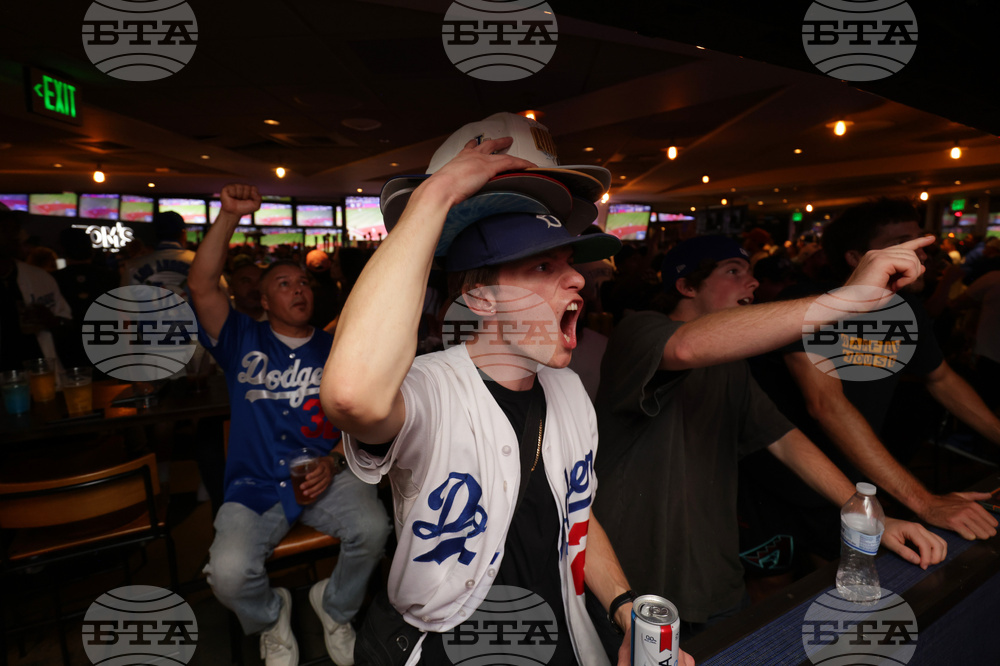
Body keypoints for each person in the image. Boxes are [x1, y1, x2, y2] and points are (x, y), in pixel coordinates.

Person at [322, 124, 691, 665]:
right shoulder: (429, 388)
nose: (577, 283)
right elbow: (352, 396)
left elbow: (577, 515)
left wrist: (624, 606)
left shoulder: (568, 391)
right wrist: (438, 194)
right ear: (481, 298)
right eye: (543, 267)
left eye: (570, 264)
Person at [593, 235, 947, 635]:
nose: (753, 282)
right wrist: (848, 298)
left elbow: (785, 439)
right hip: (632, 577)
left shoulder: (732, 366)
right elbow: (689, 346)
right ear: (686, 286)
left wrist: (868, 517)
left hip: (714, 578)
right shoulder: (639, 331)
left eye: (750, 271)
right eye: (733, 271)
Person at [189, 184, 391, 666]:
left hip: (327, 477)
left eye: (303, 282)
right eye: (284, 284)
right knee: (230, 574)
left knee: (375, 528)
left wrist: (334, 459)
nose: (299, 289)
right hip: (256, 485)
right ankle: (270, 616)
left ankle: (334, 606)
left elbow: (358, 418)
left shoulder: (332, 348)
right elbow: (200, 285)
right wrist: (229, 215)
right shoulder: (241, 337)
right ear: (261, 299)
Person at [0, 211, 73, 371]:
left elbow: (67, 324)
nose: (14, 235)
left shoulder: (38, 277)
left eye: (15, 229)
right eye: (4, 228)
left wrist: (51, 320)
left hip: (40, 380)